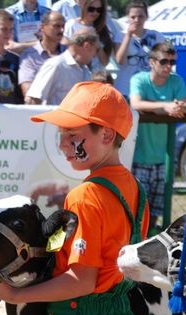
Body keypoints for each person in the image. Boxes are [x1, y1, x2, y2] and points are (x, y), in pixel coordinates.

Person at [0, 80, 150, 315]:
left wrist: (17, 294)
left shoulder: (85, 195)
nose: (64, 145)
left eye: (73, 136)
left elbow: (82, 280)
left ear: (107, 135)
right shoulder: (136, 190)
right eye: (61, 136)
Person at [130, 42, 186, 233]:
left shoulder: (176, 81)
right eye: (164, 61)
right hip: (138, 157)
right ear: (152, 62)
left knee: (155, 213)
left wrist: (175, 107)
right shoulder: (139, 79)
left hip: (164, 159)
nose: (168, 66)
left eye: (172, 62)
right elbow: (136, 103)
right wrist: (166, 107)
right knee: (137, 210)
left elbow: (182, 106)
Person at [25, 28, 97, 105]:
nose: (95, 55)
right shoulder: (55, 65)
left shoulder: (86, 71)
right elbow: (32, 99)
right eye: (96, 50)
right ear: (87, 46)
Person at [114, 0, 166, 98]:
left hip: (148, 89)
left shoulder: (156, 36)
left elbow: (166, 60)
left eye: (140, 16)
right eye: (133, 17)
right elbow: (120, 60)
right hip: (125, 89)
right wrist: (128, 36)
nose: (137, 20)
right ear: (128, 18)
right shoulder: (121, 35)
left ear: (146, 17)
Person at [18, 10, 66, 97]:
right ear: (43, 27)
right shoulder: (29, 56)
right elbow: (27, 91)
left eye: (63, 26)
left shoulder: (68, 53)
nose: (61, 30)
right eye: (56, 26)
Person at [63, 0, 117, 70]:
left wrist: (98, 46)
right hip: (75, 71)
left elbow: (105, 62)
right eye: (91, 9)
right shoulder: (71, 25)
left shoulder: (103, 29)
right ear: (84, 7)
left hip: (95, 75)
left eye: (99, 10)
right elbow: (65, 51)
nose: (95, 13)